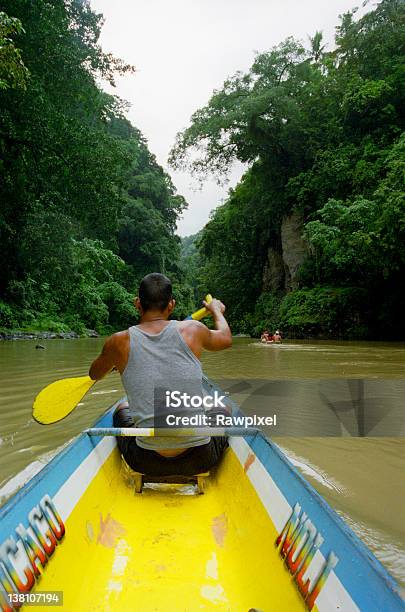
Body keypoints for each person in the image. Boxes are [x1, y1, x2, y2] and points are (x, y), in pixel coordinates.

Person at [89, 273, 232, 476]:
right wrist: (216, 310)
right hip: (200, 458)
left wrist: (114, 360)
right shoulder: (193, 329)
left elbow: (94, 374)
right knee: (222, 407)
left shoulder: (118, 342)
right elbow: (226, 338)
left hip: (145, 461)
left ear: (137, 303)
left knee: (122, 408)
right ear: (171, 305)